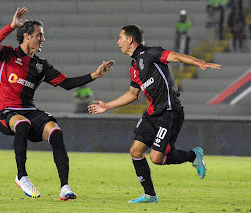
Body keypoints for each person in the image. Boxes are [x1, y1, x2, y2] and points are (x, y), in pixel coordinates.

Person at [0, 7, 114, 200]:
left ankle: (65, 187)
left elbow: (67, 83)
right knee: (22, 124)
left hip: (29, 110)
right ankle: (22, 176)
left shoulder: (41, 65)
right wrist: (11, 26)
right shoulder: (7, 55)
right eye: (40, 35)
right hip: (5, 111)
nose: (43, 39)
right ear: (27, 36)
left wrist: (95, 75)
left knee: (56, 132)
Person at [88, 25, 221, 203]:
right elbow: (132, 94)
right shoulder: (134, 66)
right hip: (152, 113)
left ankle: (193, 155)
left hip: (169, 111)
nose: (118, 41)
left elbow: (177, 56)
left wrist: (200, 63)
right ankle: (150, 195)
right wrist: (107, 106)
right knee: (135, 151)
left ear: (130, 40)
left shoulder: (150, 53)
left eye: (120, 37)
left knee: (157, 158)